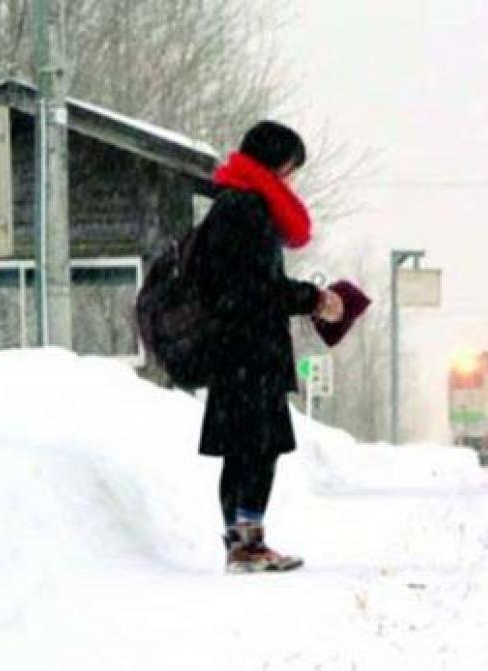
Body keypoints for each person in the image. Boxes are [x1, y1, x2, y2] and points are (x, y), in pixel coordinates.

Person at [193, 120, 343, 573]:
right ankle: (248, 545)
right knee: (257, 449)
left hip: (232, 351)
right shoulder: (249, 209)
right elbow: (259, 288)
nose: (290, 180)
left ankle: (241, 544)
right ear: (274, 162)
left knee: (242, 449)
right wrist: (315, 299)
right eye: (289, 169)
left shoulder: (229, 205)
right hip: (250, 352)